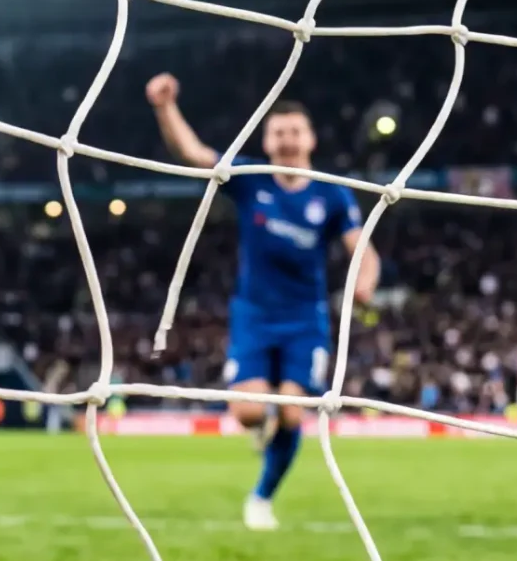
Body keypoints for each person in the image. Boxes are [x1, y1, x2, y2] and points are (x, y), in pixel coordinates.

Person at [145, 74, 379, 531]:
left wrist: (365, 281)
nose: (288, 139)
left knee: (292, 411)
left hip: (304, 318)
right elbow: (193, 154)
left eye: (295, 131)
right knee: (248, 411)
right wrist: (164, 107)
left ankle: (261, 497)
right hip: (254, 313)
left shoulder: (332, 193)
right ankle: (260, 431)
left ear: (309, 139)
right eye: (279, 132)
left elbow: (363, 248)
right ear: (267, 140)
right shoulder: (250, 179)